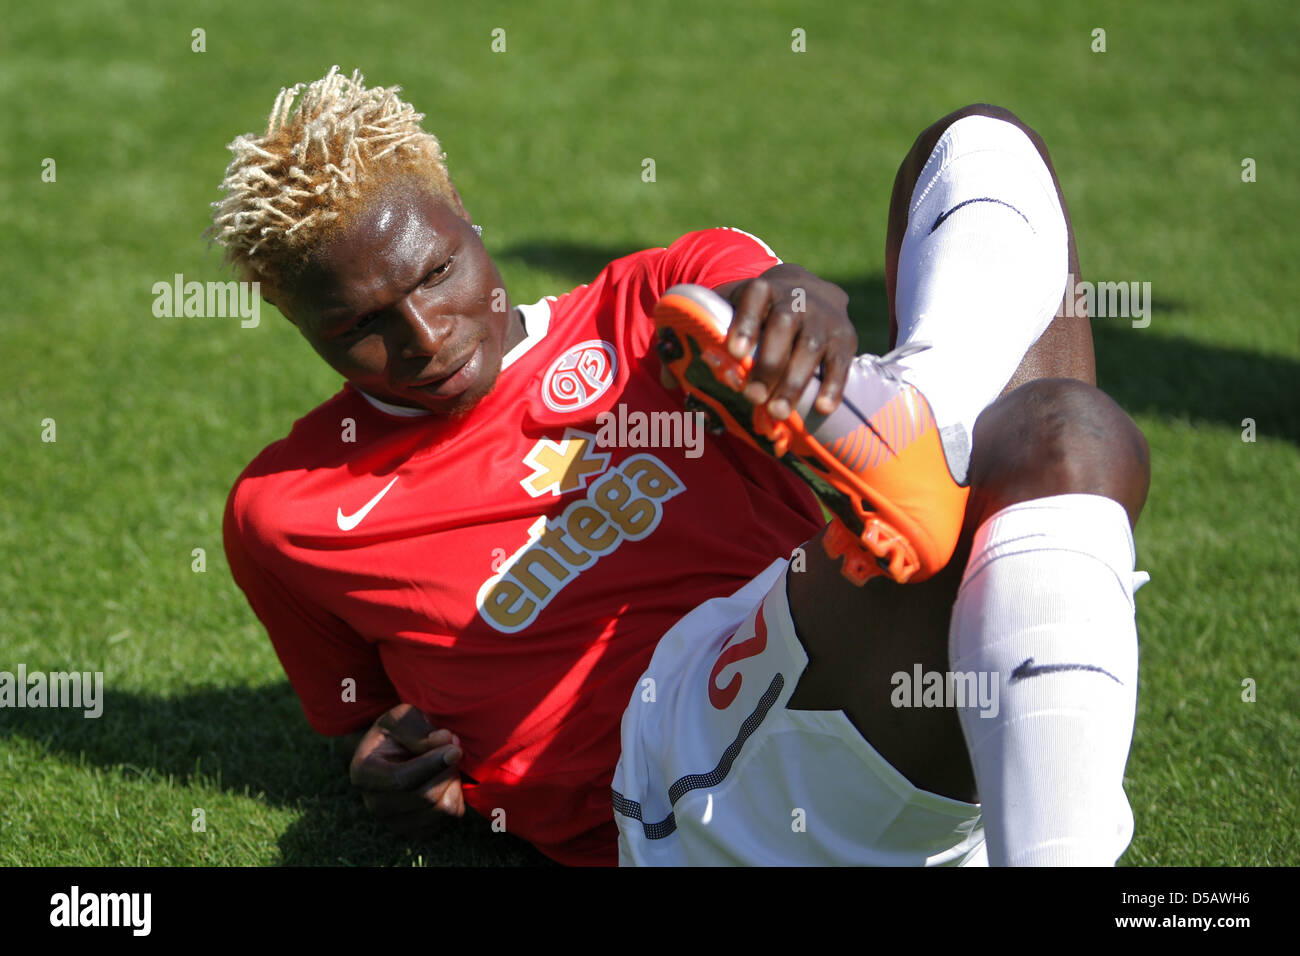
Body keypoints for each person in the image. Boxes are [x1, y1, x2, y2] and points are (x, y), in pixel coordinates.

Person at [212, 66, 1150, 866]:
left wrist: (795, 314)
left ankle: (929, 404)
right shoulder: (285, 511)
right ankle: (926, 423)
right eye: (359, 328)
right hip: (675, 789)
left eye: (435, 275)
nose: (422, 336)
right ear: (301, 328)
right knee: (1067, 441)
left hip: (851, 650)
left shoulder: (652, 301)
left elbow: (752, 295)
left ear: (462, 213)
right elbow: (363, 717)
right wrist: (382, 764)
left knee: (978, 154)